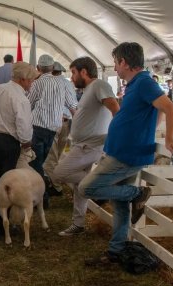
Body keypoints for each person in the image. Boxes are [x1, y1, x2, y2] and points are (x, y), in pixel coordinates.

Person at [79, 42, 173, 265]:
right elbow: (156, 109)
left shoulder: (143, 82)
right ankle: (117, 249)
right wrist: (149, 130)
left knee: (87, 187)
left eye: (115, 62)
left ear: (124, 62)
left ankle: (135, 193)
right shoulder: (135, 84)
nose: (115, 67)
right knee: (121, 205)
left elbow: (169, 107)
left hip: (126, 154)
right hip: (125, 150)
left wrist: (169, 138)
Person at [50, 57, 119, 236]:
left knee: (58, 173)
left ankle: (93, 181)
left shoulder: (98, 86)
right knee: (79, 187)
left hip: (89, 146)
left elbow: (115, 108)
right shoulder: (90, 89)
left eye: (73, 72)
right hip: (83, 145)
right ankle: (78, 223)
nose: (71, 77)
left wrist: (116, 135)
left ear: (84, 72)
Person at [0, 62, 38, 237]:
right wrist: (26, 143)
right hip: (5, 142)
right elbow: (23, 125)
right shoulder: (20, 97)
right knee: (6, 183)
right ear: (24, 79)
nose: (31, 83)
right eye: (31, 80)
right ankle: (3, 225)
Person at [28, 54, 77, 208]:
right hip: (54, 128)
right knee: (44, 160)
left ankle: (42, 198)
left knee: (36, 163)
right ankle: (45, 192)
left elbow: (29, 103)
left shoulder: (37, 83)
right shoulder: (63, 83)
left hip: (37, 127)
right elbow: (72, 105)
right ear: (53, 67)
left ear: (38, 68)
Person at [43, 61, 78, 196]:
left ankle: (55, 186)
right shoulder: (68, 84)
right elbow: (73, 104)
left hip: (53, 122)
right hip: (66, 122)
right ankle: (55, 182)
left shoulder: (48, 83)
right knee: (58, 154)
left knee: (51, 156)